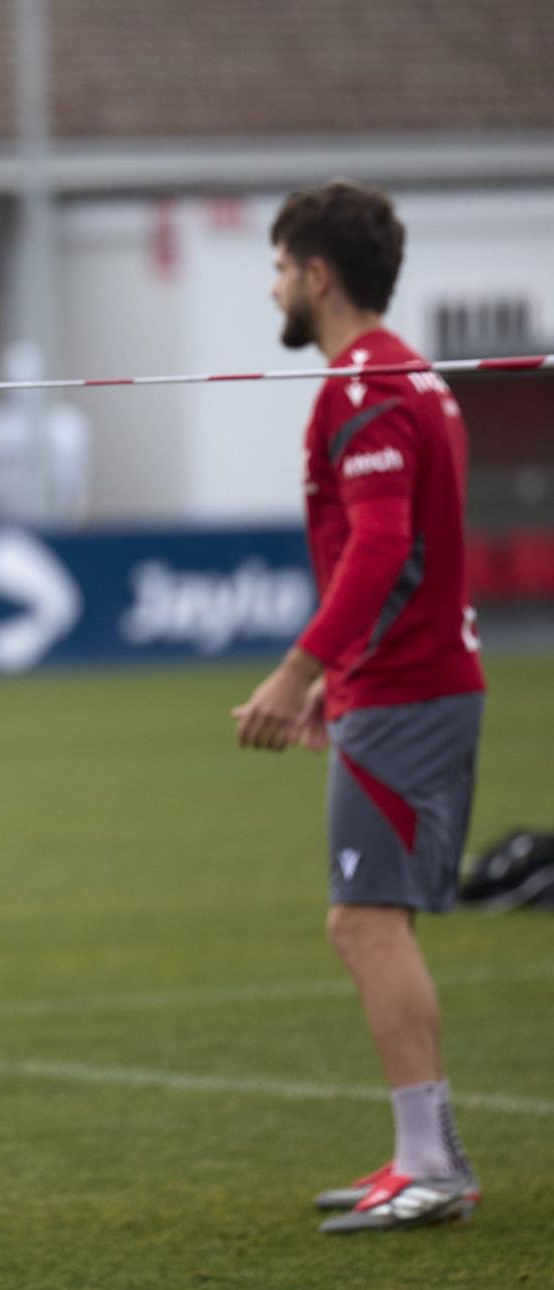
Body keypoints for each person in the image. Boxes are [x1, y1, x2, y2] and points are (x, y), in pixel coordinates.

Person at [233, 180, 486, 1234]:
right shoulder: (408, 374)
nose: (273, 288)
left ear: (317, 274)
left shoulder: (365, 384)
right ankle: (425, 1157)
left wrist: (298, 673)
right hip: (403, 686)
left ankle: (430, 1164)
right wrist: (338, 682)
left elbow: (382, 548)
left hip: (409, 693)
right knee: (369, 918)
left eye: (278, 268)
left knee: (364, 921)